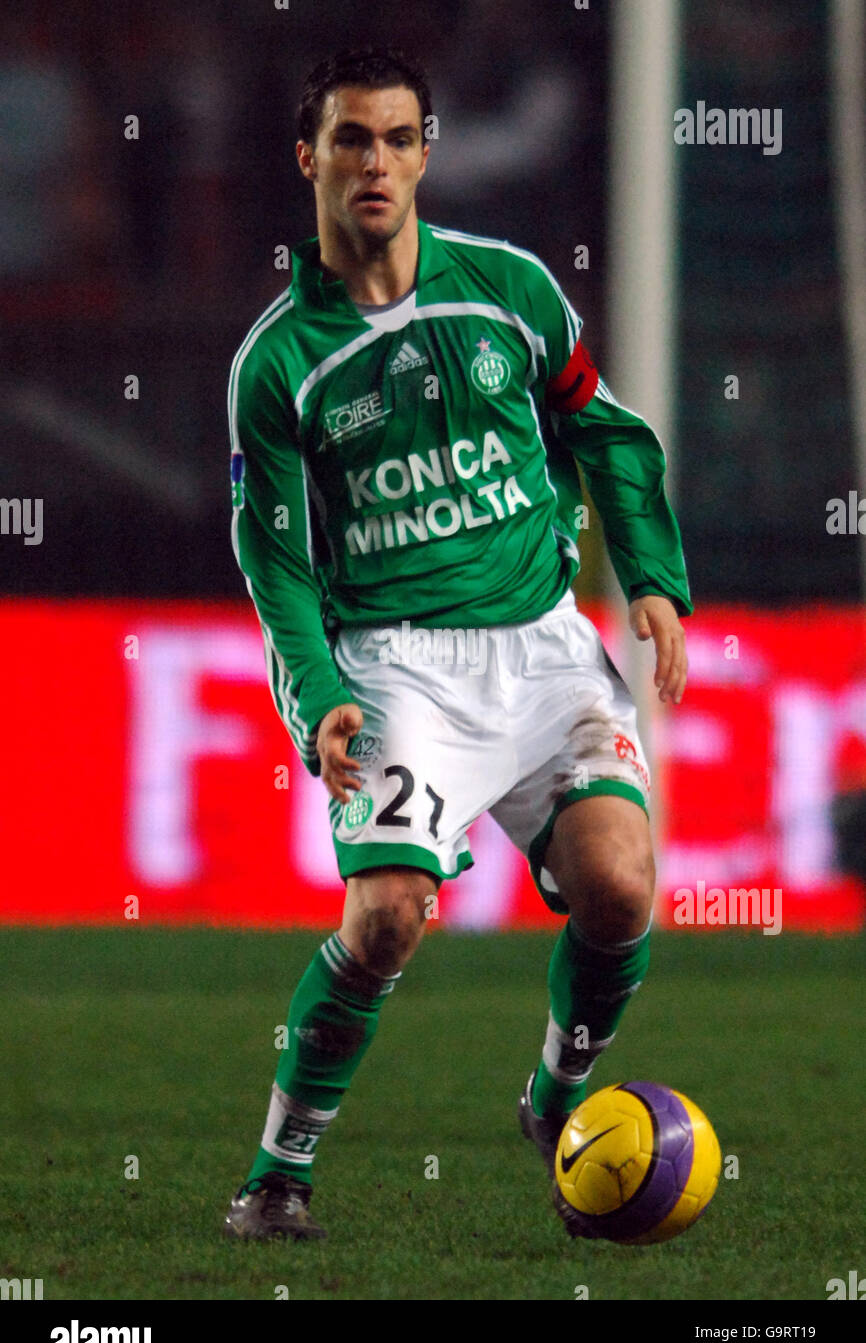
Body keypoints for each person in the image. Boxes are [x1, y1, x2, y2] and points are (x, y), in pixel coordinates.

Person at [224, 46, 691, 1241]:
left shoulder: (511, 291)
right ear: (309, 159)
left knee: (620, 887)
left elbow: (606, 429)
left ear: (426, 151)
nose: (372, 162)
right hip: (394, 662)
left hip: (539, 646)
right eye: (348, 140)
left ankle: (553, 1098)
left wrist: (650, 584)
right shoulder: (277, 363)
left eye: (393, 138)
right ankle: (279, 1174)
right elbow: (276, 558)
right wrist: (316, 688)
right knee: (382, 918)